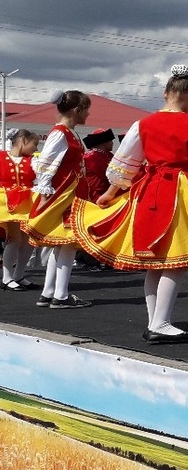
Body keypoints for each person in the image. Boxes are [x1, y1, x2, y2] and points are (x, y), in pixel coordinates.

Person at [72, 67, 188, 343]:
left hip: (149, 190)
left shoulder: (143, 124)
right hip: (180, 191)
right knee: (176, 260)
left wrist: (112, 192)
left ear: (165, 94)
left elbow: (125, 163)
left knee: (155, 262)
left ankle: (155, 321)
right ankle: (160, 324)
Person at [23, 90, 93, 309]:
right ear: (76, 110)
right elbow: (45, 164)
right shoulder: (60, 133)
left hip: (70, 193)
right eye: (86, 109)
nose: (88, 114)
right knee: (68, 243)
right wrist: (45, 191)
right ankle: (60, 295)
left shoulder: (70, 133)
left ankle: (50, 292)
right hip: (64, 195)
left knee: (60, 244)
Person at [0, 129, 38, 291]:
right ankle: (7, 278)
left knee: (29, 241)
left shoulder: (33, 161)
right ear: (23, 140)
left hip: (27, 203)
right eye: (34, 144)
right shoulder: (1, 157)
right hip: (7, 202)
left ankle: (18, 275)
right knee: (14, 239)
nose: (35, 148)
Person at [81, 128, 115, 205]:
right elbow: (109, 174)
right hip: (96, 195)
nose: (112, 143)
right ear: (103, 142)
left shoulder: (107, 155)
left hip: (105, 193)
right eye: (110, 141)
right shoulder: (92, 156)